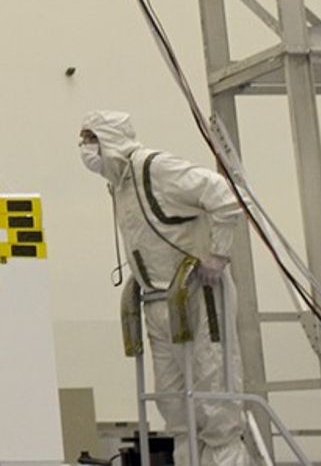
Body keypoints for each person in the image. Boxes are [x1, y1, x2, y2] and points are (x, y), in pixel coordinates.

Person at [79, 110, 247, 466]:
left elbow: (223, 194)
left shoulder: (153, 169)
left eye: (91, 139)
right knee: (175, 407)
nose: (85, 149)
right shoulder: (121, 183)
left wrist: (217, 252)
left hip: (198, 295)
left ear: (110, 139)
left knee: (214, 400)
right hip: (158, 302)